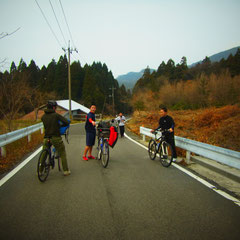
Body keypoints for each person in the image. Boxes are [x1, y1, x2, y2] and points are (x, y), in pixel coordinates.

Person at [41, 101, 71, 176]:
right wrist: (60, 125)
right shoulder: (56, 115)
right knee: (62, 152)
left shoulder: (43, 117)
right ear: (54, 107)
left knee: (44, 153)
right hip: (55, 137)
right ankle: (66, 170)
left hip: (46, 138)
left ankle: (40, 170)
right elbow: (66, 122)